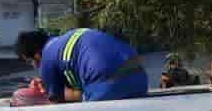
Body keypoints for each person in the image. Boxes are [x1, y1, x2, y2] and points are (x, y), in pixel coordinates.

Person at [15, 28, 148, 103]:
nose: (35, 66)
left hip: (108, 87)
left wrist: (47, 91)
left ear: (36, 55)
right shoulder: (68, 38)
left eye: (30, 61)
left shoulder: (47, 58)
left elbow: (57, 101)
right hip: (140, 80)